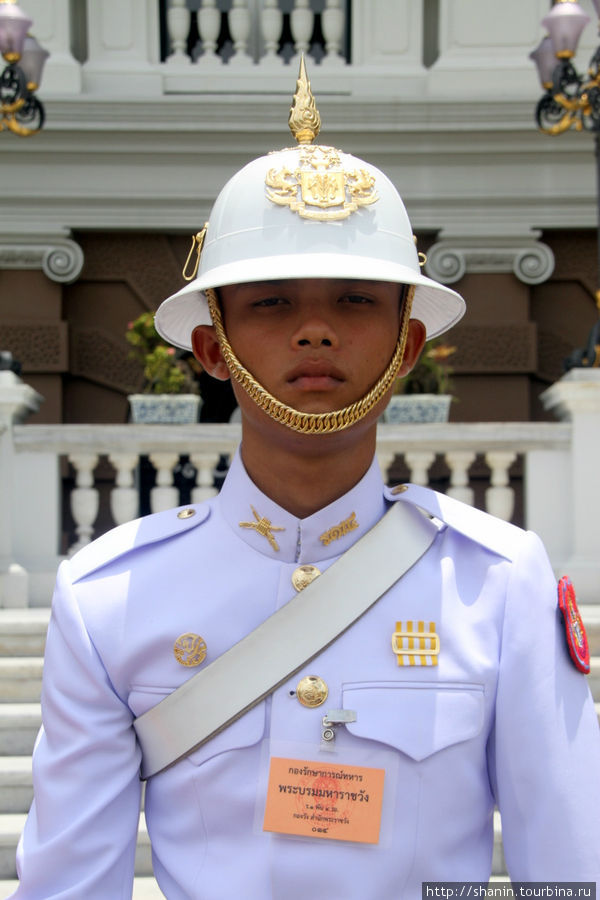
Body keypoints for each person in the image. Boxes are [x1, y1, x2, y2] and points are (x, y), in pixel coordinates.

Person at [13, 61, 600, 899]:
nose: (317, 330)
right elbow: (70, 885)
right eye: (273, 302)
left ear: (407, 344)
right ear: (213, 348)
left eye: (357, 300)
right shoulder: (111, 597)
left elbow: (571, 873)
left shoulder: (498, 585)